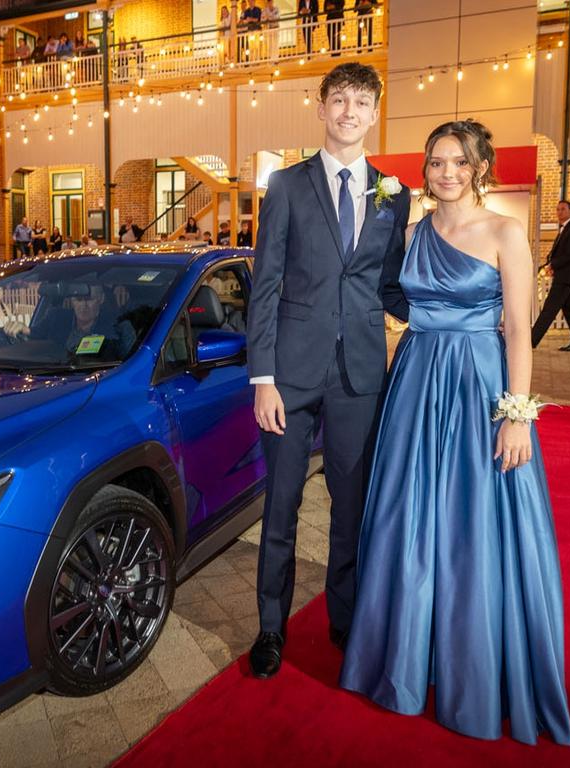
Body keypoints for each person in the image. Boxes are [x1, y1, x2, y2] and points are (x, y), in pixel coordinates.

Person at [340, 119, 570, 746]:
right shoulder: (413, 231)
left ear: (480, 167)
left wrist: (517, 414)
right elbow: (393, 299)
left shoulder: (506, 230)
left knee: (473, 521)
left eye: (459, 163)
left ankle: (473, 665)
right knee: (407, 514)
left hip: (477, 384)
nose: (446, 173)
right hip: (415, 380)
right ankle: (406, 656)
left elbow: (518, 329)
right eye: (436, 162)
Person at [246, 63, 410, 677]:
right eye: (338, 99)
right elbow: (264, 287)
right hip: (288, 377)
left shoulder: (396, 191)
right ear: (321, 108)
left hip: (360, 375)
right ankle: (269, 629)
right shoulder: (286, 185)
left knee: (352, 507)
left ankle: (345, 621)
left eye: (360, 101)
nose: (348, 111)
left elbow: (390, 286)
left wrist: (456, 309)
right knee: (282, 506)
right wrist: (262, 377)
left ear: (374, 112)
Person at [4, 284, 136, 359]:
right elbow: (33, 335)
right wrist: (21, 328)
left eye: (89, 299)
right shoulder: (56, 318)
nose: (83, 305)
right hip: (52, 378)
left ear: (100, 299)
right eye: (78, 300)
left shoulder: (119, 327)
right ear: (72, 301)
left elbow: (132, 364)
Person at [531, 200, 570, 351]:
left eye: (562, 209)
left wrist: (552, 265)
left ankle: (531, 341)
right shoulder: (563, 230)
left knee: (548, 311)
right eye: (557, 209)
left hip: (565, 277)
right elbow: (556, 252)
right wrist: (549, 263)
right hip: (563, 276)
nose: (559, 212)